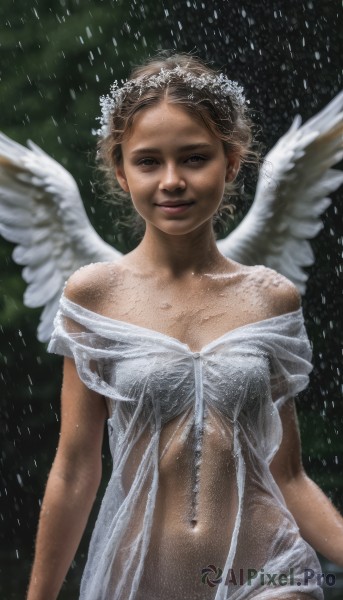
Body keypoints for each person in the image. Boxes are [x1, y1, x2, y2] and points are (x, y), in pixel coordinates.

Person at [27, 53, 343, 600]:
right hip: (141, 577)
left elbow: (287, 476)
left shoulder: (270, 298)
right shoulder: (93, 295)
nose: (172, 181)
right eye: (149, 162)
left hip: (266, 573)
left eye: (194, 158)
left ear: (232, 161)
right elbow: (75, 472)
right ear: (122, 171)